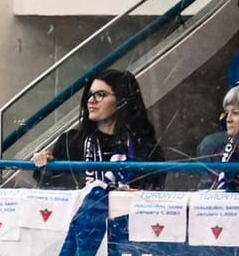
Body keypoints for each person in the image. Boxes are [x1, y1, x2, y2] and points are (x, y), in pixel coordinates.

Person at [30, 69, 168, 190]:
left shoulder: (143, 146)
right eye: (90, 94)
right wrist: (45, 165)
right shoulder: (69, 142)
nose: (91, 100)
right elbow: (54, 189)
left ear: (122, 101)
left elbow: (152, 190)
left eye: (101, 94)